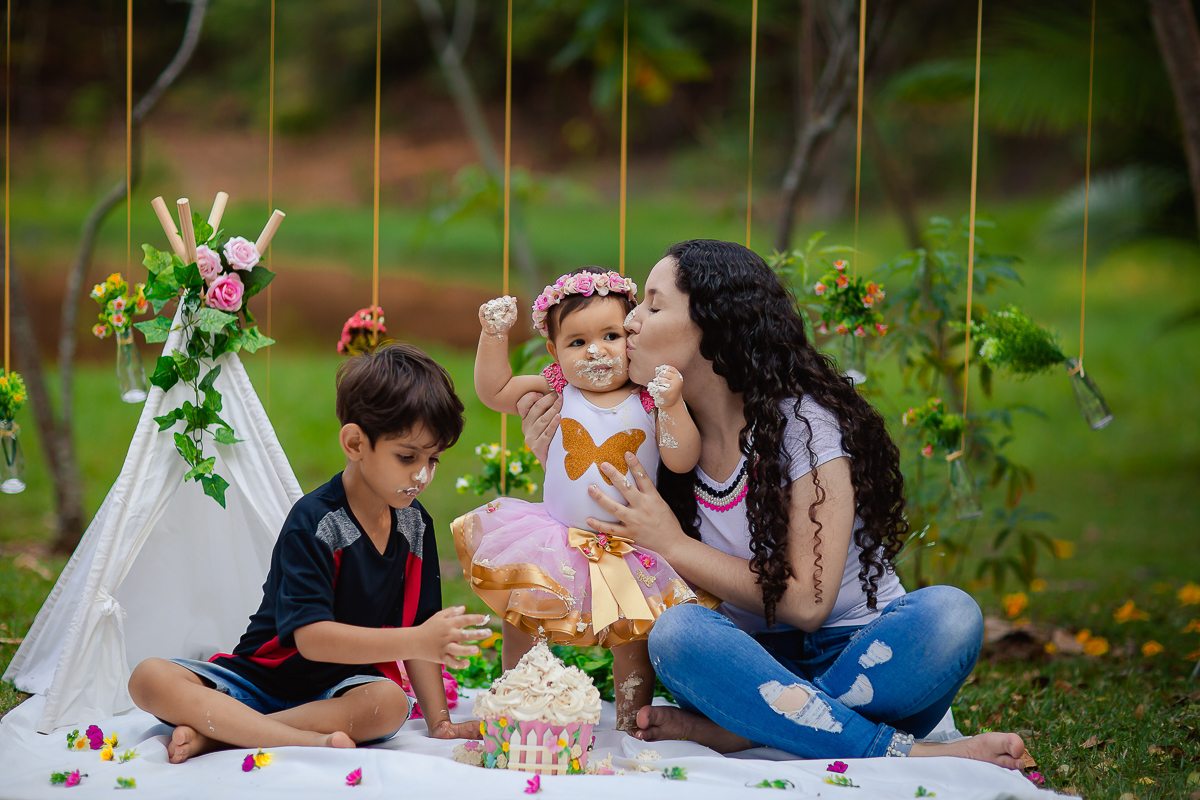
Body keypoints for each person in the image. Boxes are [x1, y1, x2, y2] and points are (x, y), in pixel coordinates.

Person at [515, 240, 1027, 768]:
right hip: (742, 660)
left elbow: (808, 605)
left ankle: (744, 733)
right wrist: (557, 452)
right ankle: (877, 744)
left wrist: (671, 543)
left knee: (951, 615)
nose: (633, 321)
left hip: (860, 654)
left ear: (712, 324)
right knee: (677, 633)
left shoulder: (805, 424)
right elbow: (602, 533)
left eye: (653, 303)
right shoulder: (658, 425)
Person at [129, 343, 489, 763]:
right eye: (407, 457)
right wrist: (417, 639)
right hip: (258, 681)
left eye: (434, 460)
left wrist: (440, 722)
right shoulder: (316, 521)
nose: (422, 475)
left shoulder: (415, 525)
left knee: (389, 704)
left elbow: (420, 627)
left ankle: (225, 733)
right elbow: (312, 639)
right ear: (355, 443)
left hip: (339, 693)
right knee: (148, 677)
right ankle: (300, 739)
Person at [452, 266, 705, 732]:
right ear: (554, 351)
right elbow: (494, 392)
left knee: (631, 631)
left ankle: (632, 719)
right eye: (576, 342)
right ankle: (516, 696)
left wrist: (672, 405)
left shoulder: (648, 398)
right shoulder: (558, 389)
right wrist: (492, 335)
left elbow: (682, 458)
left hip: (628, 542)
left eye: (610, 335)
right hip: (555, 537)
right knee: (524, 616)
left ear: (631, 336)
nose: (596, 351)